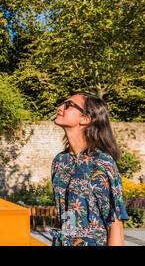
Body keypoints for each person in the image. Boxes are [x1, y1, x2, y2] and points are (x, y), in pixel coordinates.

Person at [50, 91, 129, 246]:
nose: (60, 108)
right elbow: (61, 217)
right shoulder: (60, 161)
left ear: (85, 119)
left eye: (68, 105)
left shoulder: (102, 163)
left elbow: (115, 223)